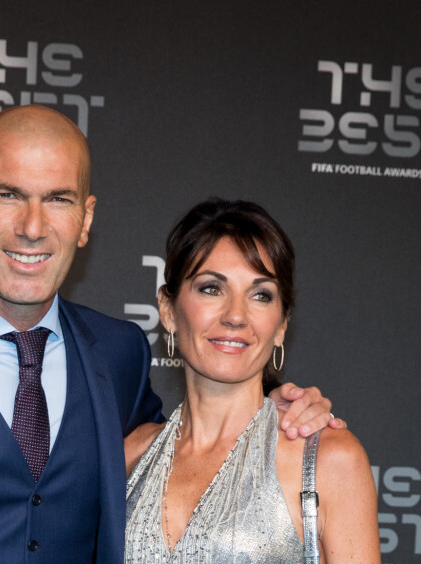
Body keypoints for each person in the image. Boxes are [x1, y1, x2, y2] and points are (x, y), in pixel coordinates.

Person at [0, 106, 339, 564]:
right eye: (8, 194)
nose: (32, 227)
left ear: (87, 219)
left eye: (58, 199)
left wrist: (279, 412)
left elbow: (196, 452)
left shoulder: (118, 353)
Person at [125, 199, 380, 563]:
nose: (235, 316)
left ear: (281, 327)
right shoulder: (129, 456)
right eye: (212, 288)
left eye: (261, 295)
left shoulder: (329, 459)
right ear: (168, 309)